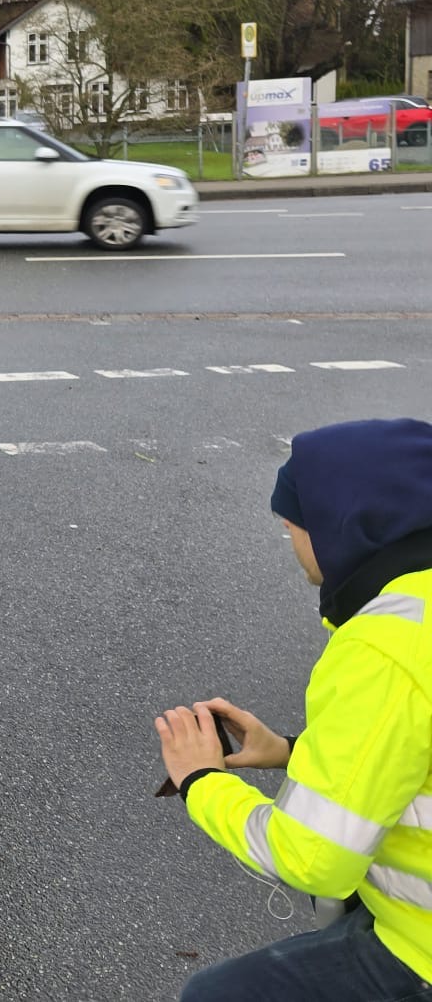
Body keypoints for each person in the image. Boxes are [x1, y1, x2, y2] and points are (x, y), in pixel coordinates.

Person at [156, 417, 432, 1000]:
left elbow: (313, 859)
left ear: (341, 525)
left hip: (421, 944)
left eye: (294, 524)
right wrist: (288, 750)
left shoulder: (387, 644)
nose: (290, 536)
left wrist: (201, 781)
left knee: (214, 996)